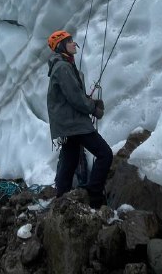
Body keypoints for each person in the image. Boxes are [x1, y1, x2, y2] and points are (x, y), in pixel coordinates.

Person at [46, 30, 113, 209]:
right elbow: (75, 98)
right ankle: (94, 196)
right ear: (61, 46)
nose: (74, 44)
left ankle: (61, 200)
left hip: (67, 125)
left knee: (69, 161)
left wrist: (89, 102)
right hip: (74, 124)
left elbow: (73, 96)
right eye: (69, 41)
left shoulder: (63, 66)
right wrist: (93, 108)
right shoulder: (63, 68)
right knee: (105, 154)